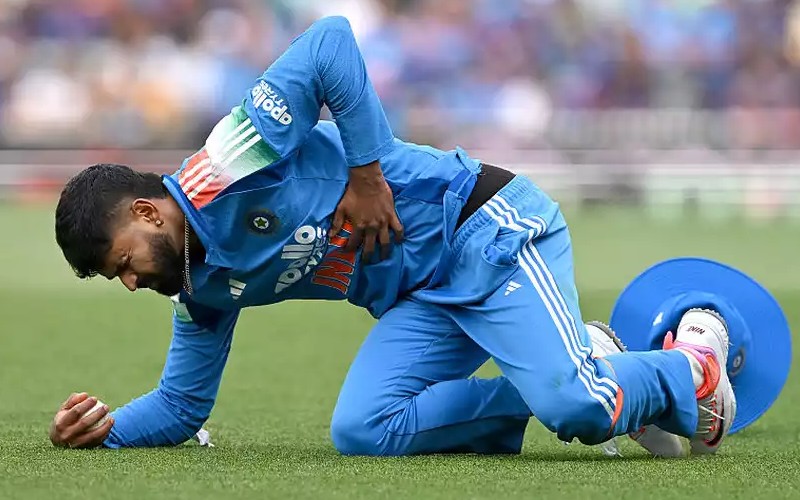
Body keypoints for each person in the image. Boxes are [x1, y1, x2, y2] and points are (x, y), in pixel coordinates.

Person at [50, 16, 733, 456]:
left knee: (576, 409)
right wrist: (103, 434)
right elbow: (180, 406)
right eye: (119, 278)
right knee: (364, 430)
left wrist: (367, 175)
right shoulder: (201, 287)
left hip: (483, 230)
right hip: (423, 298)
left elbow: (329, 42)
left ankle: (695, 361)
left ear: (148, 213)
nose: (131, 282)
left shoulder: (228, 160)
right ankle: (593, 367)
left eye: (124, 262)